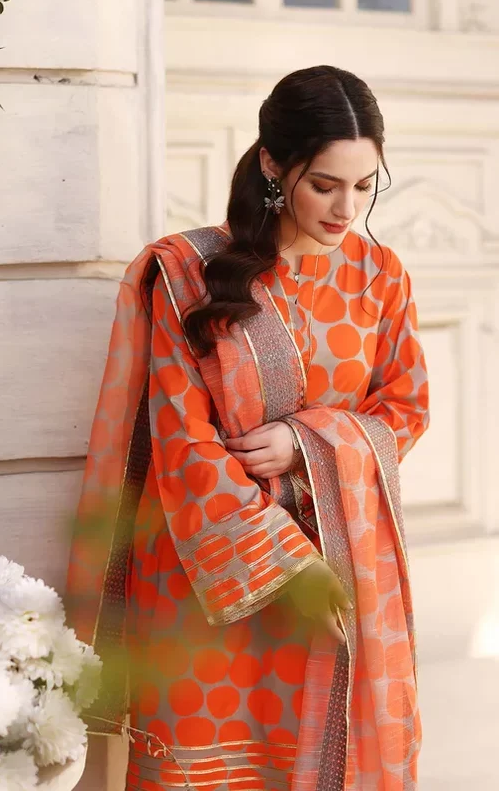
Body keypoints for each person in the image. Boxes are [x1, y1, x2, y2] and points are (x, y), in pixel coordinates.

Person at [67, 65, 430, 791]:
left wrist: (306, 441)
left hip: (341, 566)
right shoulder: (186, 272)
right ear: (272, 164)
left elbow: (404, 408)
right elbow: (182, 440)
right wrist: (289, 570)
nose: (346, 209)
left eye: (364, 187)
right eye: (324, 185)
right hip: (210, 572)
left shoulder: (380, 275)